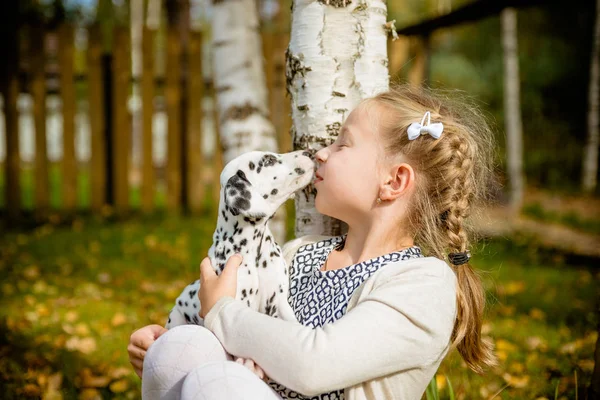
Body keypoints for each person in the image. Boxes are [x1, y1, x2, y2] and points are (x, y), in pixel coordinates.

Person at [128, 85, 498, 400]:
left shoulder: (424, 284)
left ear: (394, 182)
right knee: (179, 350)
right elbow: (241, 340)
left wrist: (221, 311)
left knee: (216, 383)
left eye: (343, 144)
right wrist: (164, 345)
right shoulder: (299, 254)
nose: (322, 152)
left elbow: (313, 364)